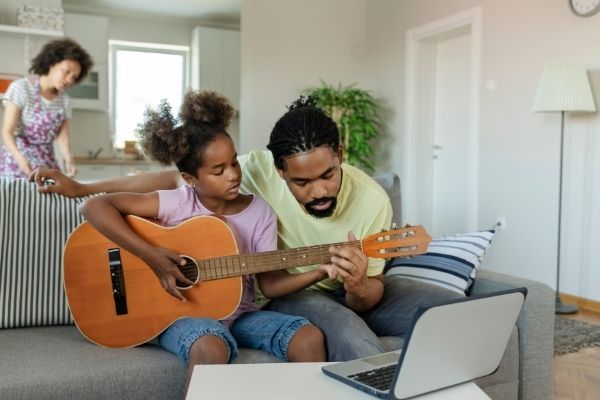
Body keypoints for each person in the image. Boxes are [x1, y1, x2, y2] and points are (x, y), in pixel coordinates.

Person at [31, 96, 462, 361]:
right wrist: (84, 188)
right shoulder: (237, 177)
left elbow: (359, 296)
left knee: (447, 311)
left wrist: (350, 281)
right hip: (280, 300)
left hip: (305, 293)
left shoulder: (367, 203)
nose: (318, 191)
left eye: (328, 175)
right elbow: (162, 181)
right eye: (301, 182)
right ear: (278, 172)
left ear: (340, 155)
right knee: (341, 329)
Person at [78, 91, 326, 389]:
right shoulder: (178, 202)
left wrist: (320, 269)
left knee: (308, 337)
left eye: (234, 163)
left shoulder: (259, 212)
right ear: (191, 179)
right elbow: (93, 206)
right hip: (182, 316)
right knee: (210, 345)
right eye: (218, 170)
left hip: (241, 315)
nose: (233, 175)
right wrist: (151, 256)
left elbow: (270, 284)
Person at [1, 38, 93, 178]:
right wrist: (21, 160)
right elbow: (7, 132)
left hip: (46, 162)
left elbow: (62, 136)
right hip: (16, 161)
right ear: (51, 63)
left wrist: (69, 160)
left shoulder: (64, 101)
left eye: (74, 77)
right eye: (66, 72)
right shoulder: (21, 88)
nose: (69, 80)